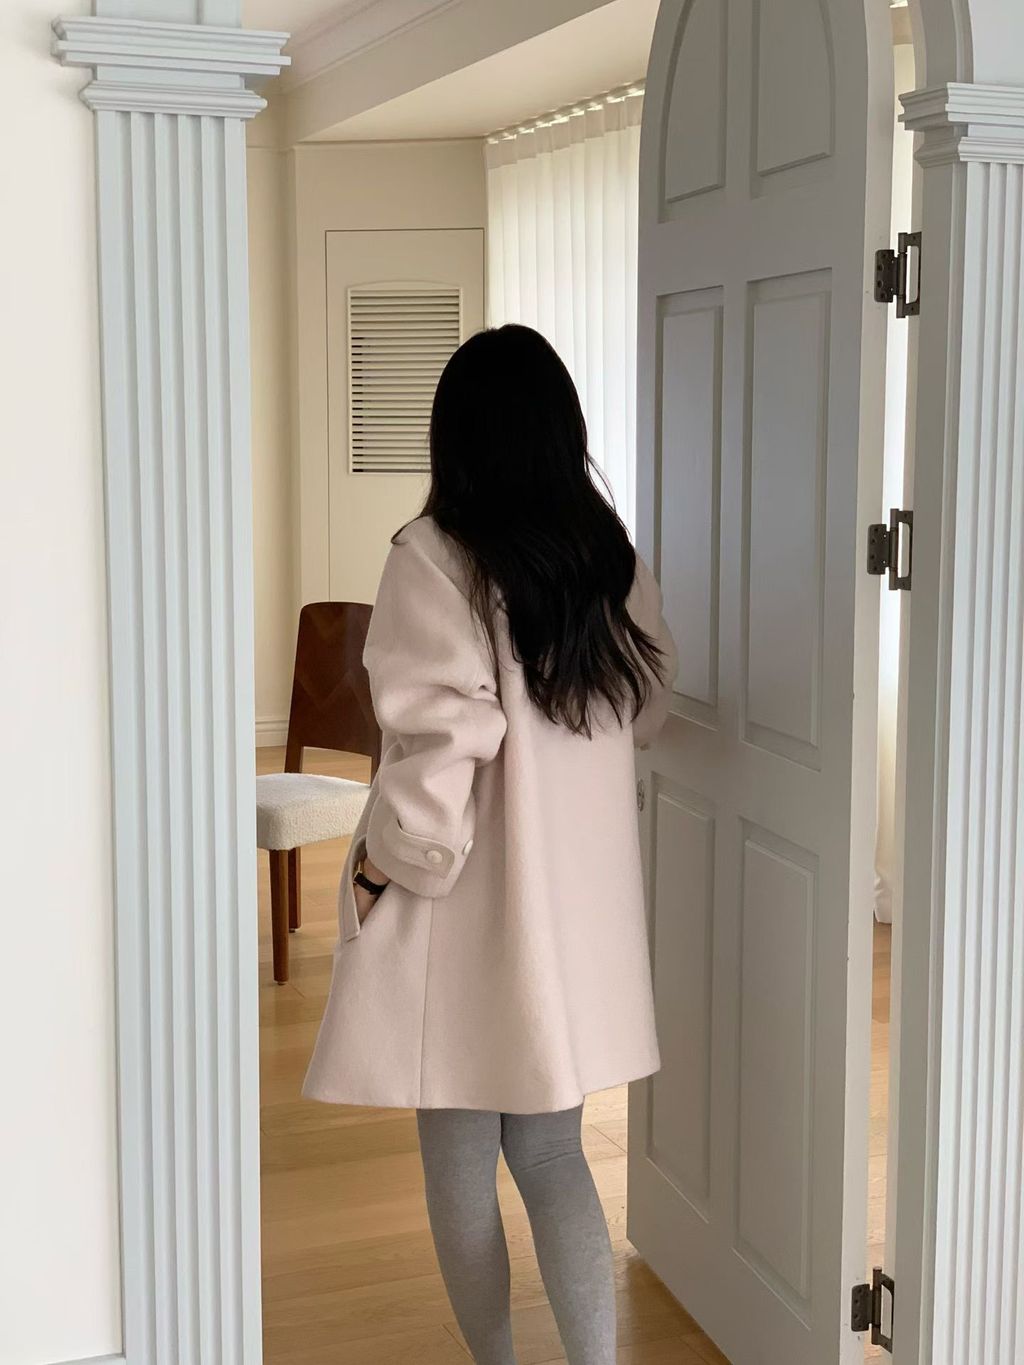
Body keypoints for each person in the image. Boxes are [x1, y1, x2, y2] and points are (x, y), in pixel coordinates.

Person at [304, 323, 678, 1365]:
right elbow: (646, 707)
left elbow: (438, 749)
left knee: (460, 1165)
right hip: (571, 917)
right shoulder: (608, 557)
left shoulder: (433, 557)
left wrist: (379, 869)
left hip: (460, 913)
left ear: (456, 434)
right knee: (554, 1154)